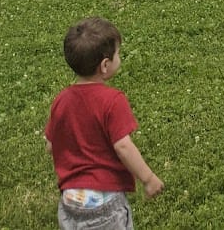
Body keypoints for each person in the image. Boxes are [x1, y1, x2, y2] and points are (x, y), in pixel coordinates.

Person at [44, 17, 164, 228]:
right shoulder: (112, 101)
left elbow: (51, 145)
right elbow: (123, 146)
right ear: (105, 65)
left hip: (70, 200)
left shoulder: (61, 100)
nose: (120, 57)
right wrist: (148, 179)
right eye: (118, 54)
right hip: (104, 203)